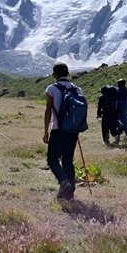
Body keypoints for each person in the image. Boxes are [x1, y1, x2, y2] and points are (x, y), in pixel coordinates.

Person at [43, 62, 83, 201]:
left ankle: (63, 182)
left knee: (52, 159)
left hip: (58, 129)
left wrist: (45, 131)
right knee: (68, 160)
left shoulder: (52, 89)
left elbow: (48, 110)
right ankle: (70, 192)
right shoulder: (77, 89)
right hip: (72, 130)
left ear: (55, 74)